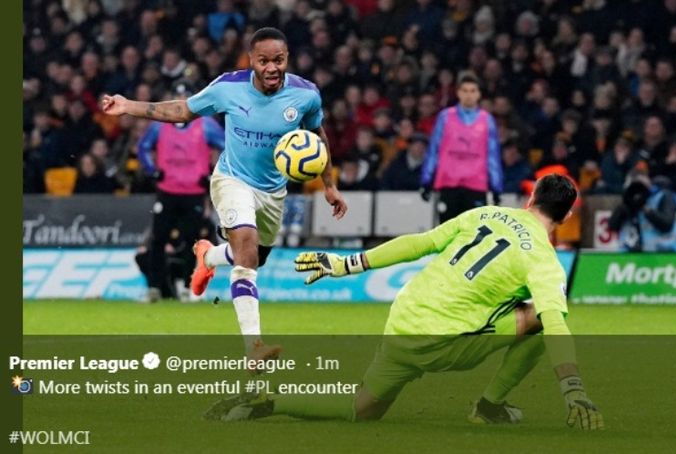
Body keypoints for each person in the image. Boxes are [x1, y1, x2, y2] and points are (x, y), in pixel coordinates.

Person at [206, 174, 604, 431]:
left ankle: (266, 403)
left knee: (364, 409)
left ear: (530, 197)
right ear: (568, 215)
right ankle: (489, 406)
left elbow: (419, 243)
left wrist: (348, 264)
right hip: (445, 339)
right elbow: (556, 324)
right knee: (539, 318)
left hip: (404, 317)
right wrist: (573, 389)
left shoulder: (488, 214)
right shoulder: (544, 258)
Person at [102, 27, 348, 362]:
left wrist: (329, 185)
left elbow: (317, 136)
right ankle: (254, 349)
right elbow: (182, 111)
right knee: (245, 244)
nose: (272, 67)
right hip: (231, 180)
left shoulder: (306, 95)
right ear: (251, 61)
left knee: (254, 259)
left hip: (273, 191)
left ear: (287, 58)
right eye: (264, 61)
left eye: (278, 60)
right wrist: (129, 105)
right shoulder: (228, 87)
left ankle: (209, 257)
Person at [136, 81, 225, 302]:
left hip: (194, 192)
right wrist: (152, 171)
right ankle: (154, 288)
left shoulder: (205, 125)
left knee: (192, 241)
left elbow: (227, 146)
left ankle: (188, 287)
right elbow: (143, 147)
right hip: (167, 190)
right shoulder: (160, 125)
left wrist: (213, 174)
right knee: (158, 239)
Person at [420, 75, 503, 223]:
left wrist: (496, 186)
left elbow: (492, 155)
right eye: (464, 90)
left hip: (476, 184)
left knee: (473, 234)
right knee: (446, 233)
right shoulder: (445, 117)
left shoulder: (486, 120)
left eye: (472, 90)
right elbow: (434, 150)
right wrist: (426, 180)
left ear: (479, 94)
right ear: (458, 93)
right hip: (448, 183)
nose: (468, 95)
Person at [608, 172, 676, 252]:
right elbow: (612, 226)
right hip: (635, 254)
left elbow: (667, 225)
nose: (638, 191)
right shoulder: (628, 203)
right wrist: (627, 204)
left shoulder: (663, 196)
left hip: (667, 251)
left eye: (641, 186)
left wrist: (646, 209)